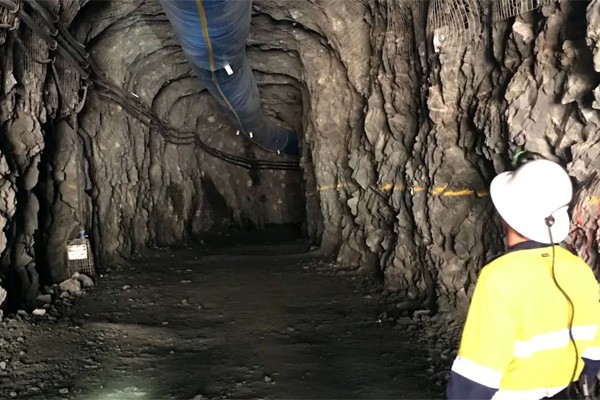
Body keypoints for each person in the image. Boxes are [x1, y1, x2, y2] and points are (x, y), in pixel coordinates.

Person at [447, 152, 600, 400]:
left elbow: (476, 378)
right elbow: (594, 356)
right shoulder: (579, 269)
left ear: (506, 214)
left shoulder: (500, 277)